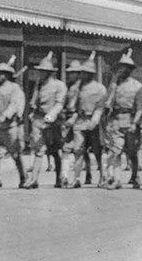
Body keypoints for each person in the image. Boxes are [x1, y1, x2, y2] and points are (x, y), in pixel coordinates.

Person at [63, 53, 107, 189]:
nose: (82, 74)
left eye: (85, 72)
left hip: (93, 121)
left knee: (97, 151)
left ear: (91, 74)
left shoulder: (100, 89)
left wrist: (95, 120)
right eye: (82, 72)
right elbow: (73, 105)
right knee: (78, 151)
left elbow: (100, 107)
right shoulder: (77, 87)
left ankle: (102, 177)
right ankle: (76, 178)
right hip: (79, 121)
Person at [25, 51, 66, 189]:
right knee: (39, 150)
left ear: (49, 72)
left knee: (54, 151)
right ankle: (34, 179)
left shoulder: (59, 86)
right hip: (38, 119)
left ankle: (59, 178)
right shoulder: (39, 85)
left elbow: (60, 103)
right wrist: (32, 112)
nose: (41, 73)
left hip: (53, 122)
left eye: (43, 71)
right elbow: (33, 102)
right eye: (40, 71)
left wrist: (52, 115)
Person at [105, 49, 142, 189]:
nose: (121, 70)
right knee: (116, 151)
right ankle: (117, 179)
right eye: (120, 67)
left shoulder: (137, 86)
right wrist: (113, 83)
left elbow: (140, 108)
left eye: (124, 68)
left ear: (129, 69)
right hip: (116, 120)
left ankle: (135, 176)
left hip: (130, 121)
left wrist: (135, 123)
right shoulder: (115, 85)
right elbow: (108, 101)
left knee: (132, 152)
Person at [0, 56, 27, 189]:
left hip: (10, 126)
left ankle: (23, 177)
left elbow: (15, 105)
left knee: (15, 154)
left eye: (1, 73)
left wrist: (6, 115)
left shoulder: (15, 88)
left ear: (7, 75)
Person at [59, 59, 82, 187]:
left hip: (78, 119)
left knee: (79, 150)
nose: (70, 75)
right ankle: (64, 176)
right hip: (68, 118)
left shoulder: (82, 88)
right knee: (66, 149)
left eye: (73, 73)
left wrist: (74, 118)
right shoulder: (69, 87)